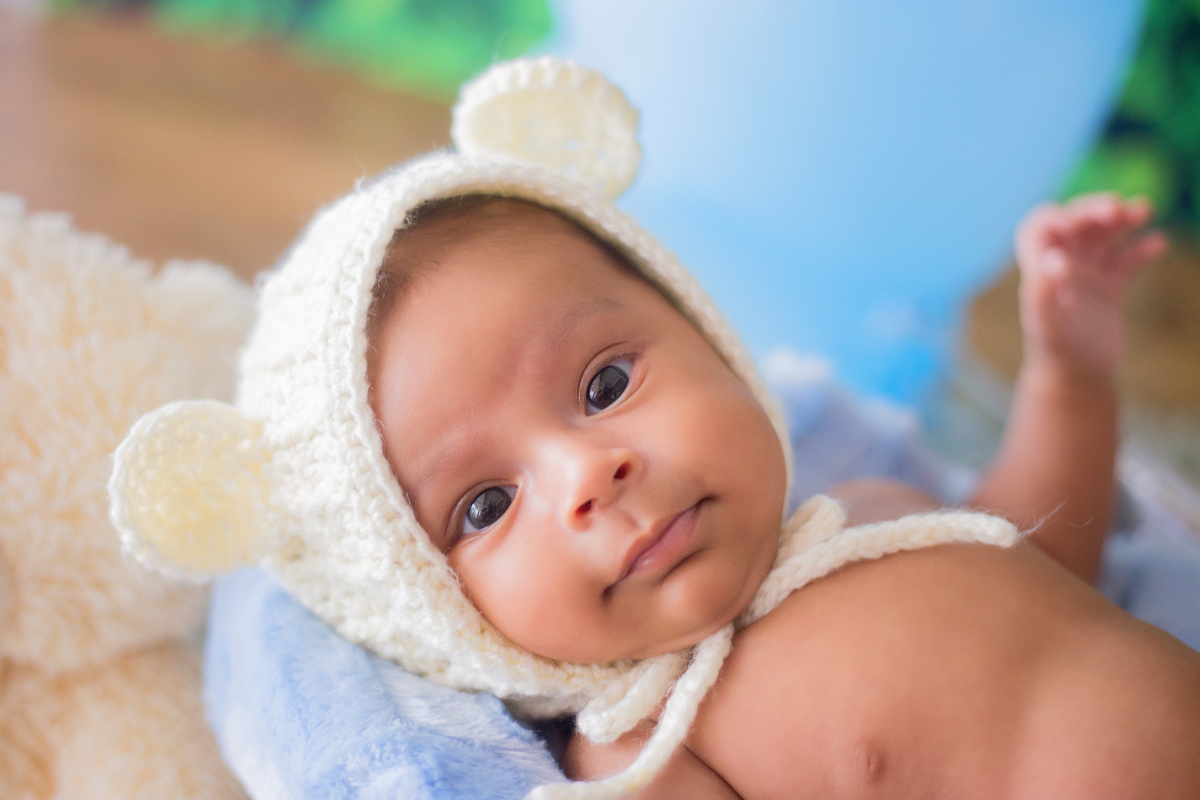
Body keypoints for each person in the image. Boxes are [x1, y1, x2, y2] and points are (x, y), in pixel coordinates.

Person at [109, 58, 1200, 799]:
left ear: (709, 334)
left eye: (604, 382)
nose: (593, 469)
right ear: (437, 615)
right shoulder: (648, 742)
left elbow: (1062, 554)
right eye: (486, 505)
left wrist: (1069, 366)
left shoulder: (871, 510)